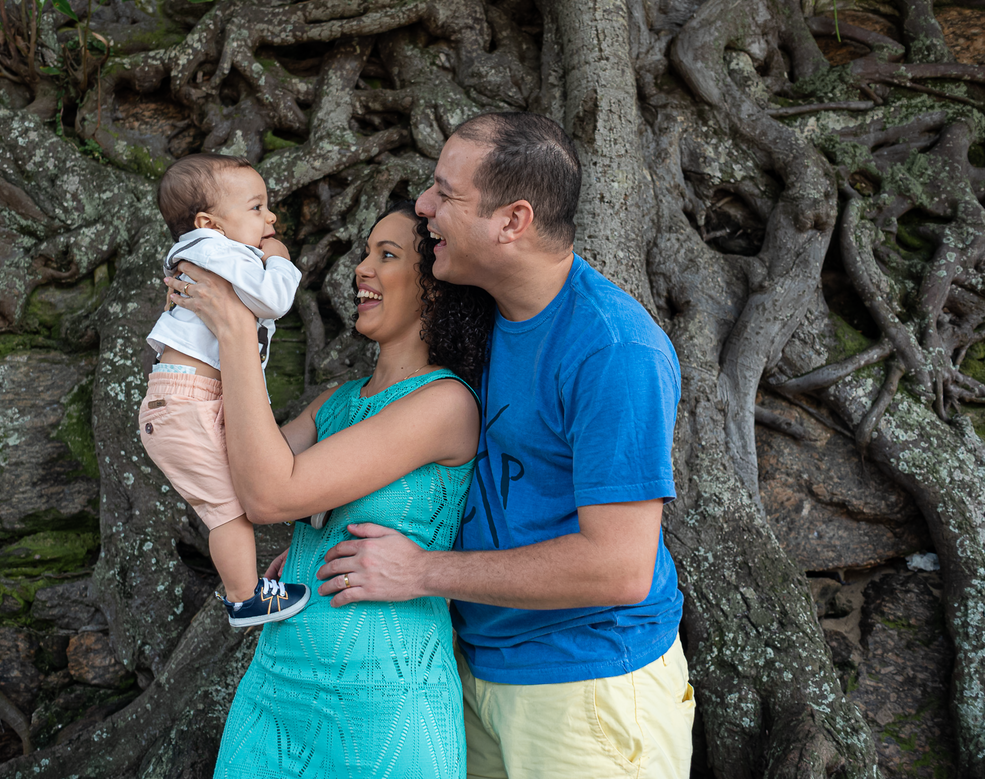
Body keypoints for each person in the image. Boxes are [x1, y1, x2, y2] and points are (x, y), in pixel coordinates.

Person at [315, 112, 696, 778]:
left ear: (512, 221)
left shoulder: (614, 350)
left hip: (587, 688)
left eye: (445, 193)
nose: (423, 207)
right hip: (469, 670)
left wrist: (420, 571)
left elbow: (620, 567)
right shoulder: (474, 316)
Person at [165, 200, 495, 778]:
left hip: (384, 700)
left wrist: (238, 331)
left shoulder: (445, 404)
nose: (361, 268)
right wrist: (191, 347)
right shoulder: (336, 402)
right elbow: (241, 484)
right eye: (365, 253)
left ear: (435, 287)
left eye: (386, 255)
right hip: (275, 682)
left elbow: (271, 495)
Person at [139, 152, 310, 628]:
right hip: (186, 400)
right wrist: (280, 260)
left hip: (192, 398)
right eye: (256, 208)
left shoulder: (213, 255)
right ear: (208, 223)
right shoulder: (215, 251)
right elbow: (274, 299)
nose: (270, 218)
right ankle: (244, 598)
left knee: (241, 495)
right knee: (228, 511)